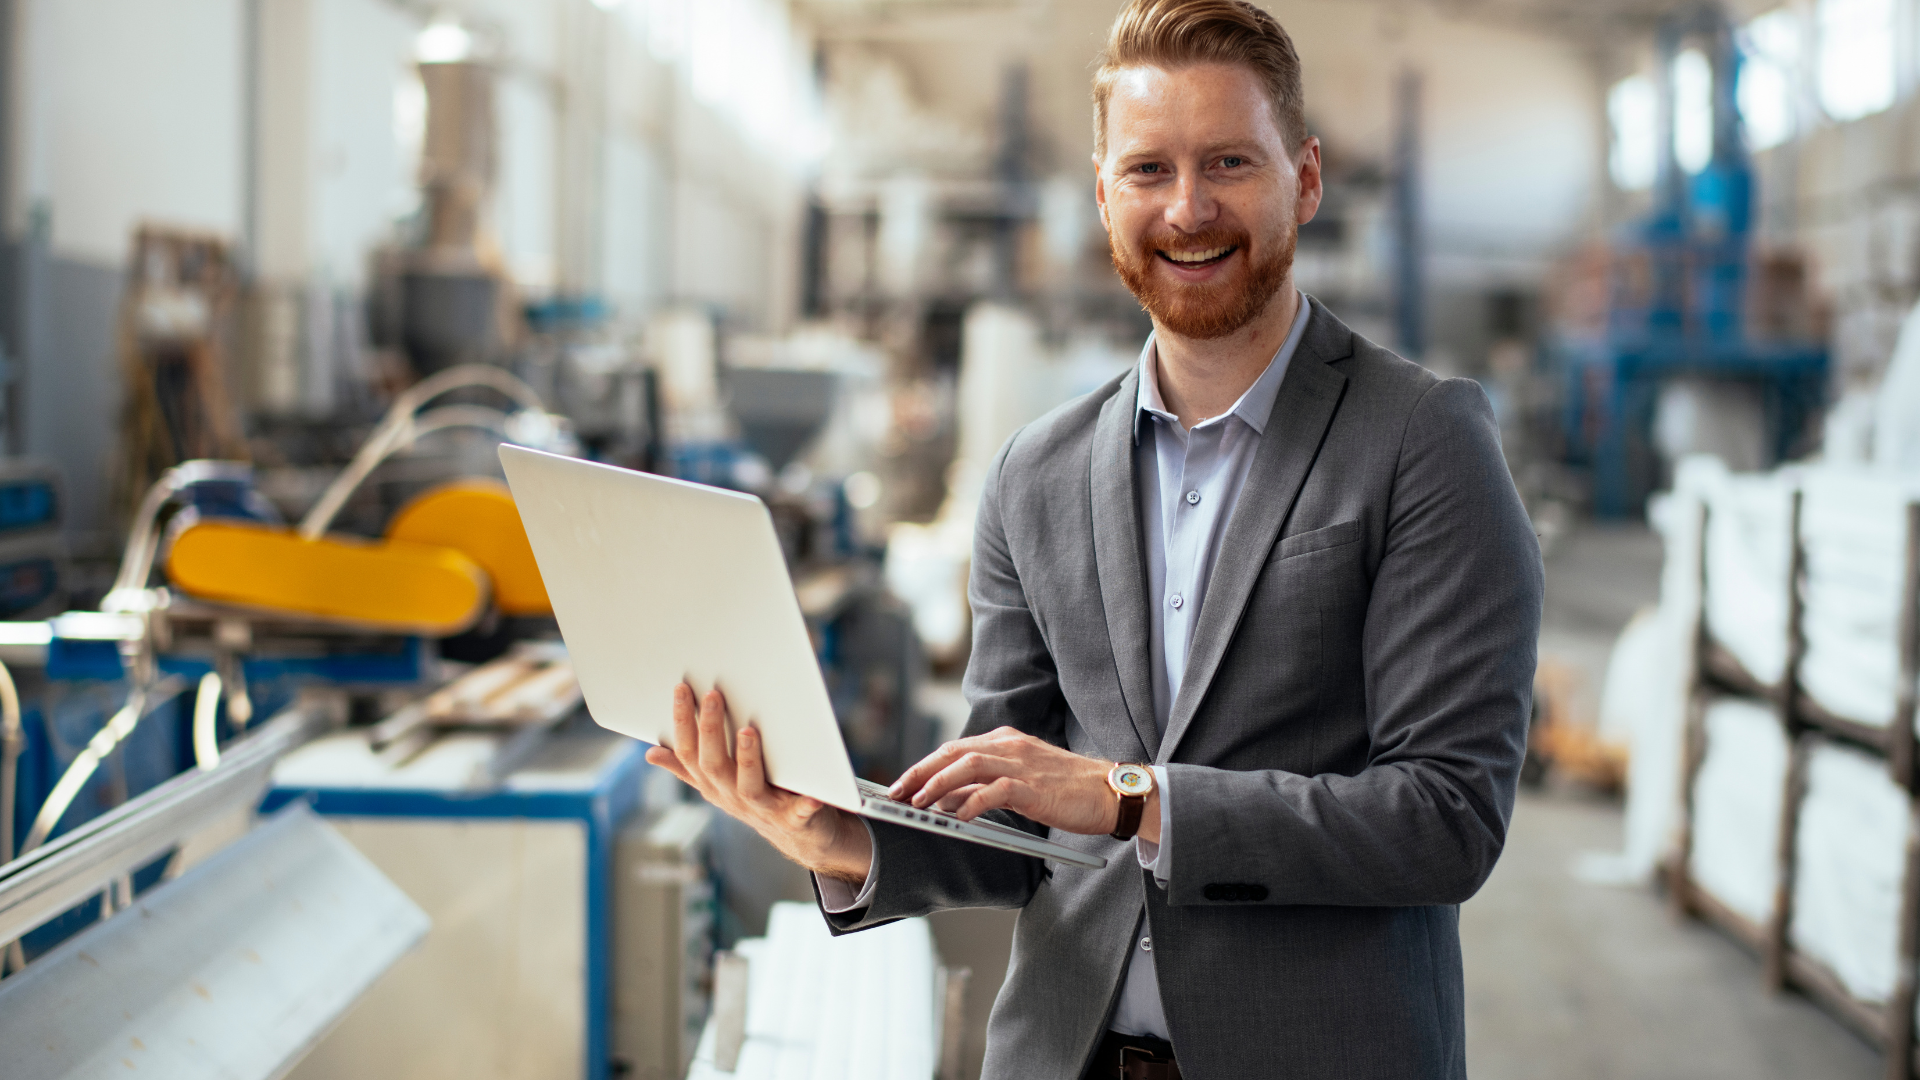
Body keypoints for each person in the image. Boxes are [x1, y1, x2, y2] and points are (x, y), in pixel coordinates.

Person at [644, 1, 1543, 1076]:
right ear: (1104, 194)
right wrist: (834, 835)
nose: (1189, 209)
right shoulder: (1036, 472)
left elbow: (1445, 818)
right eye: (1149, 170)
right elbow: (1012, 827)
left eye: (1228, 163)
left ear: (1304, 178)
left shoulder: (1420, 440)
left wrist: (1131, 799)